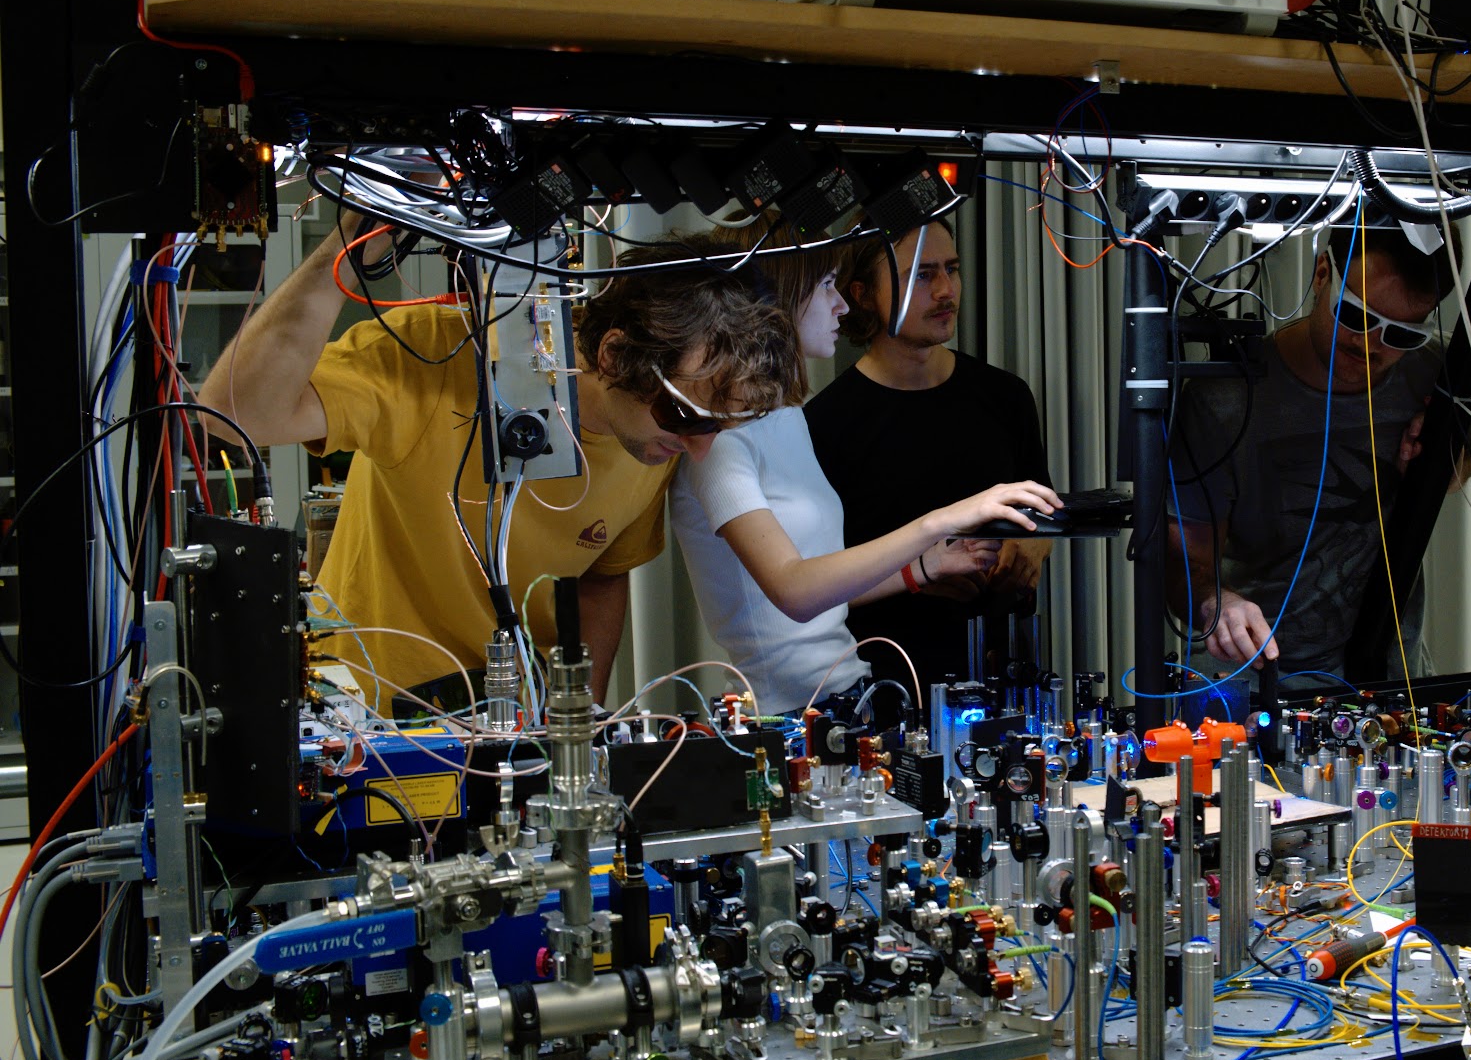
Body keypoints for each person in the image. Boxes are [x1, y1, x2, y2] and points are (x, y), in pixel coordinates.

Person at [202, 215, 799, 708]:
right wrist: (351, 242)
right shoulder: (431, 357)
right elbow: (230, 413)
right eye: (688, 417)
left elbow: (602, 576)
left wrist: (579, 722)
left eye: (719, 426)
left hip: (513, 722)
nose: (700, 448)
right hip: (374, 716)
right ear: (616, 356)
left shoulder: (653, 436)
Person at [670, 220, 1061, 713]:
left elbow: (828, 583)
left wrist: (925, 566)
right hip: (788, 715)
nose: (840, 304)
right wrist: (942, 521)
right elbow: (795, 591)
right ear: (775, 301)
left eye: (952, 269)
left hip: (852, 691)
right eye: (826, 286)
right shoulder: (717, 444)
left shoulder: (786, 419)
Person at [1168, 214, 1471, 682]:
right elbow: (1184, 563)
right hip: (1252, 679)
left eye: (1401, 334)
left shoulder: (1434, 370)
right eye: (1356, 315)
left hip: (1388, 680)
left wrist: (1444, 470)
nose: (1370, 345)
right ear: (1322, 273)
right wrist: (1216, 604)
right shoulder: (1224, 402)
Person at [806, 220, 1054, 695]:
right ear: (862, 294)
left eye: (952, 269)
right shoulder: (825, 424)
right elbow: (811, 588)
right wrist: (917, 573)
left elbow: (1041, 508)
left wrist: (1033, 547)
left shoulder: (1005, 396)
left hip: (1001, 674)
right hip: (884, 682)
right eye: (922, 275)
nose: (945, 290)